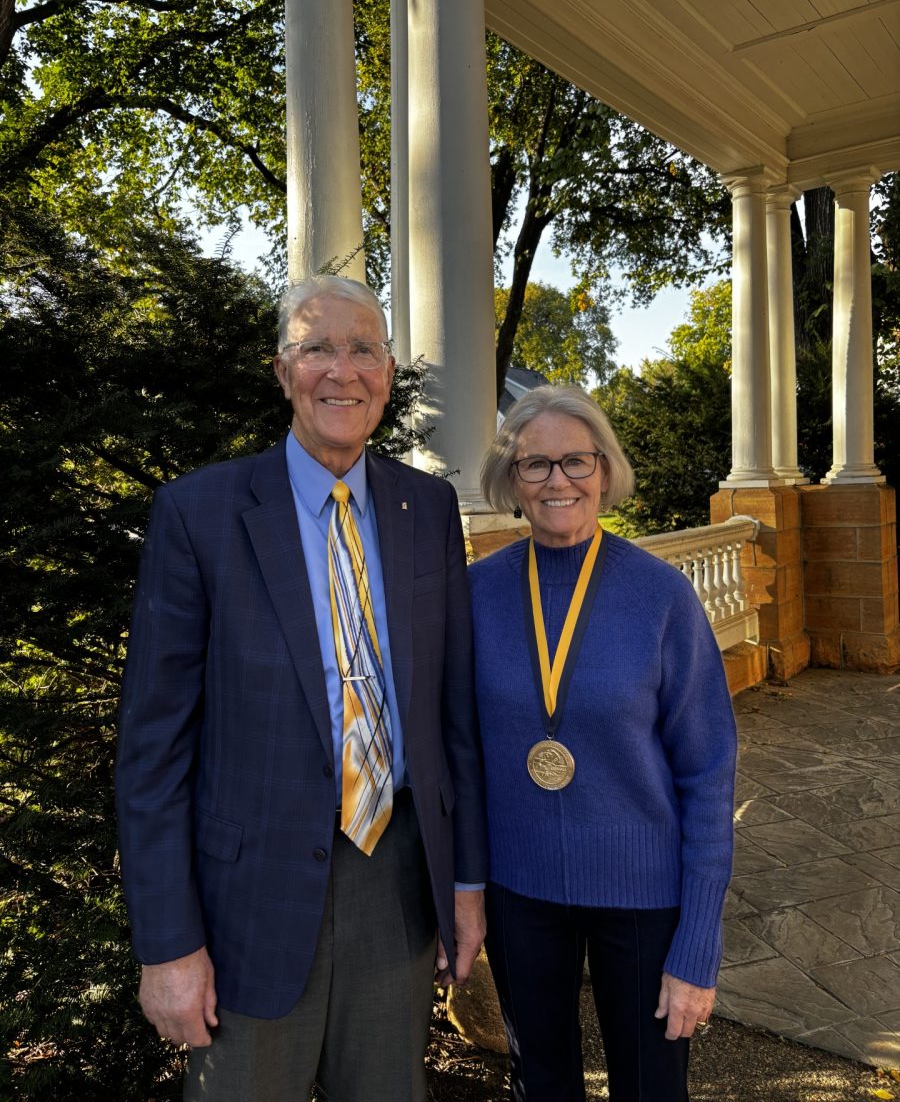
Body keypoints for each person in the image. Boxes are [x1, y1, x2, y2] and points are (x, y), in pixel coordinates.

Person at [116, 274, 487, 1102]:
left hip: (396, 881)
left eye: (362, 350)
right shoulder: (199, 513)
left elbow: (448, 718)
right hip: (247, 903)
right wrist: (168, 945)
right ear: (281, 372)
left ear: (388, 374)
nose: (341, 371)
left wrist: (465, 885)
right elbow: (153, 750)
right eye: (316, 347)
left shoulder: (426, 507)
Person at [469, 384, 737, 1102]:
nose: (558, 480)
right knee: (542, 1085)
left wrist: (698, 946)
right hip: (519, 892)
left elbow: (708, 772)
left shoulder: (660, 596)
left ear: (605, 471)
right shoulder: (475, 595)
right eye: (536, 466)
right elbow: (456, 760)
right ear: (512, 483)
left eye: (576, 462)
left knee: (651, 1088)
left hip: (643, 897)